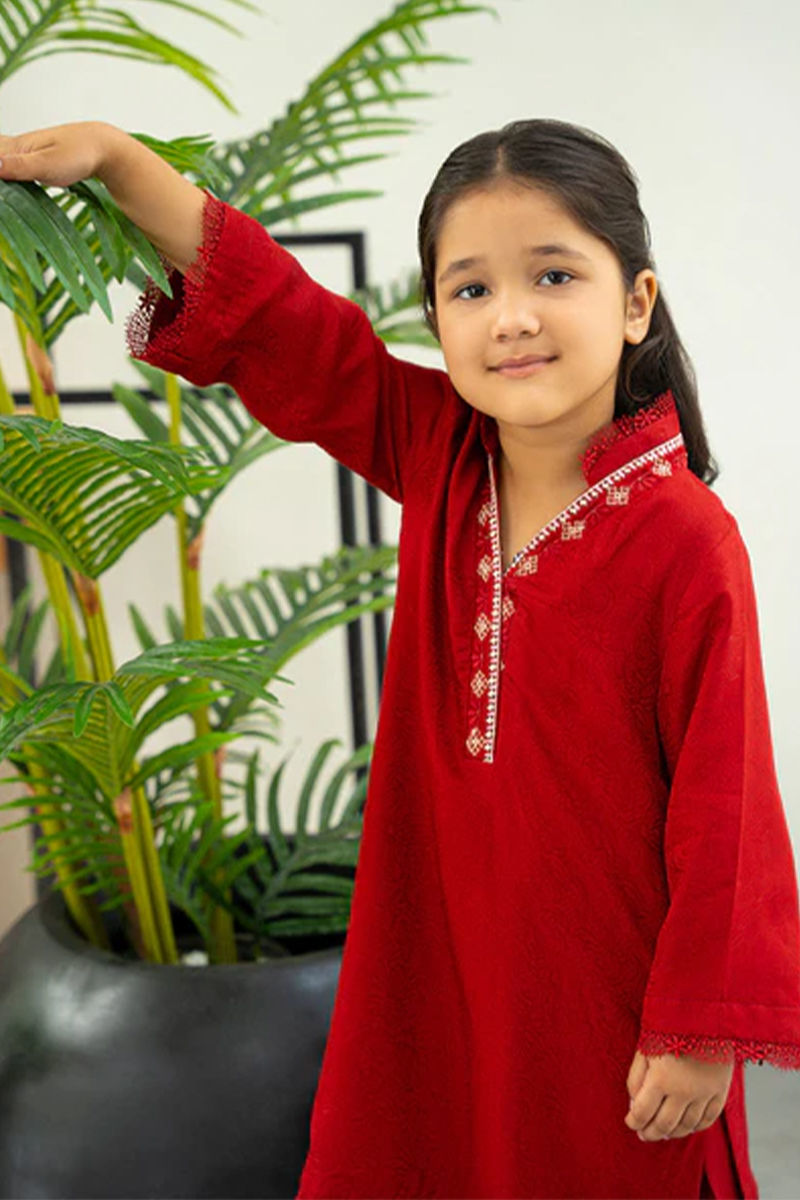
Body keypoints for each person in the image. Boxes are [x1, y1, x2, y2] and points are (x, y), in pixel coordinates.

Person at [1, 116, 799, 1200]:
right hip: (435, 967)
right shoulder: (437, 453)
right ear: (435, 320)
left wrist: (697, 1030)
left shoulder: (684, 540)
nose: (510, 317)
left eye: (552, 274)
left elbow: (728, 803)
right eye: (470, 289)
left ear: (635, 303)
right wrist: (116, 159)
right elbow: (288, 324)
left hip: (603, 996)